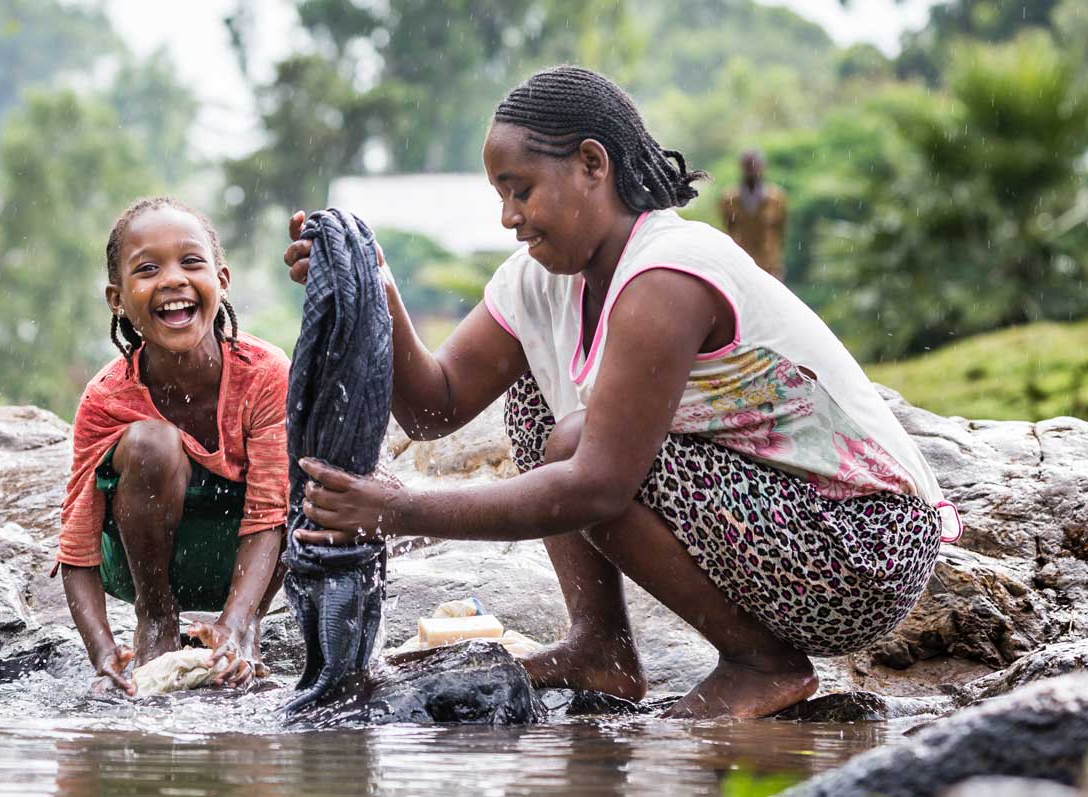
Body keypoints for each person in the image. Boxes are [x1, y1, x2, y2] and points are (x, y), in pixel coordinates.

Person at [282, 66, 956, 719]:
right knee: (540, 402)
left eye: (520, 190)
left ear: (591, 165)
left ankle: (759, 661)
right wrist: (374, 288)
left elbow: (597, 487)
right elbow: (435, 405)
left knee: (579, 445)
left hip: (862, 550)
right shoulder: (541, 279)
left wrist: (403, 510)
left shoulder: (667, 272)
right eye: (500, 196)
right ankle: (600, 647)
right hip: (785, 530)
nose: (508, 217)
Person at [56, 196, 290, 695]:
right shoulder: (106, 398)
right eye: (147, 269)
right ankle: (158, 620)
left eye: (191, 262)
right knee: (151, 443)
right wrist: (102, 653)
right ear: (117, 298)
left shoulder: (266, 375)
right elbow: (76, 545)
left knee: (316, 474)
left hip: (248, 560)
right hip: (146, 563)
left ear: (221, 280)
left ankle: (246, 630)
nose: (172, 280)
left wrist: (236, 622)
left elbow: (272, 511)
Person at [720, 150, 788, 280]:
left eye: (754, 165)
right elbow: (728, 229)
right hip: (740, 264)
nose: (751, 170)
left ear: (762, 167)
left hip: (769, 265)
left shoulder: (776, 198)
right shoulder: (729, 198)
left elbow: (781, 231)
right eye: (747, 166)